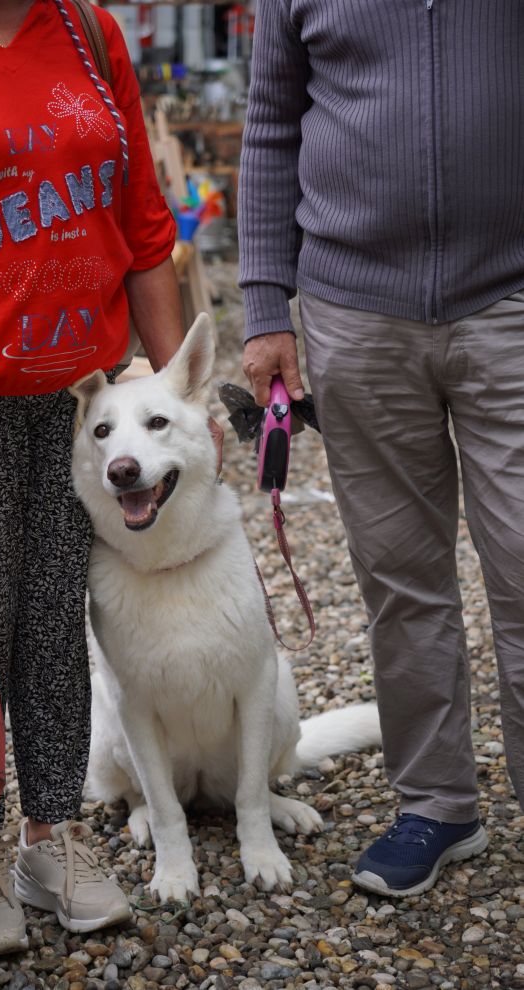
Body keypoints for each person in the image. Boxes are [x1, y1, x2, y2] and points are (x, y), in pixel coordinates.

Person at [0, 0, 212, 958]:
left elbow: (142, 227)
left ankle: (50, 838)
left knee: (58, 622)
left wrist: (176, 400)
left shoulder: (87, 31)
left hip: (81, 404)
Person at [238, 0, 524, 899]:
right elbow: (271, 126)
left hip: (511, 301)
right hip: (353, 309)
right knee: (401, 579)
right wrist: (263, 306)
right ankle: (438, 805)